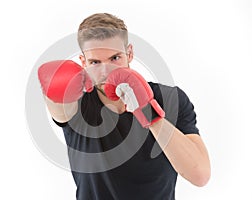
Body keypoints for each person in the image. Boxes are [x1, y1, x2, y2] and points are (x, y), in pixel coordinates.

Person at [38, 13, 211, 200]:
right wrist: (58, 83)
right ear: (83, 62)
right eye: (95, 62)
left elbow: (200, 175)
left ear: (129, 53)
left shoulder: (170, 98)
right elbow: (58, 106)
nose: (106, 72)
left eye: (115, 58)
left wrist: (148, 111)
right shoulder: (79, 102)